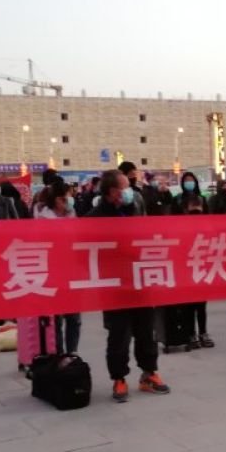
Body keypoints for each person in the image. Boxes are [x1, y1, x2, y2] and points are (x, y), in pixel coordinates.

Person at [88, 170, 168, 402]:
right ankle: (119, 378)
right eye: (125, 187)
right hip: (114, 286)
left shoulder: (134, 209)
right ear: (113, 191)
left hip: (140, 280)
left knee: (146, 330)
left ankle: (149, 373)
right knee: (119, 334)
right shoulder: (94, 218)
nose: (129, 191)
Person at [35, 179, 82, 353]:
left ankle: (72, 353)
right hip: (52, 271)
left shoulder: (72, 214)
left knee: (74, 317)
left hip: (71, 270)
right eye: (67, 197)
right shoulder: (43, 217)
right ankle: (59, 353)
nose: (70, 200)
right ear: (57, 199)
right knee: (56, 317)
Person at [181, 194, 215, 349]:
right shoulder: (180, 225)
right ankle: (191, 333)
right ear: (186, 209)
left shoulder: (207, 224)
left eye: (198, 206)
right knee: (188, 305)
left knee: (201, 305)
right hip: (186, 270)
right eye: (192, 207)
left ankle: (203, 332)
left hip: (201, 268)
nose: (196, 210)